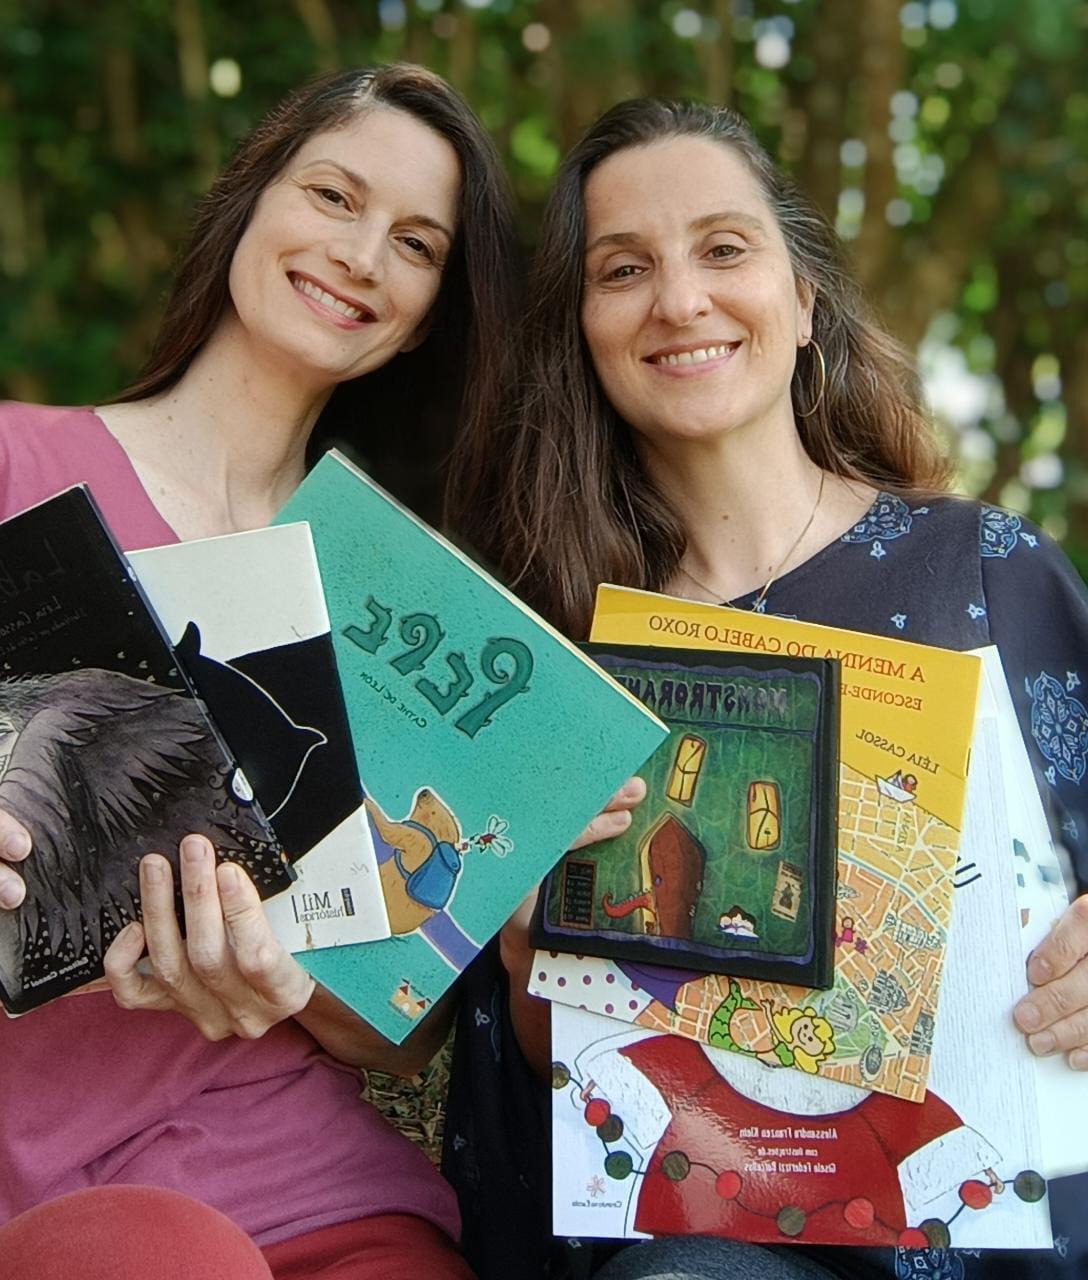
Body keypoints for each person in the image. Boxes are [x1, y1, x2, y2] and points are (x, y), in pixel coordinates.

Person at [0, 63, 641, 1280]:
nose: (360, 255)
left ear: (432, 308)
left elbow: (387, 1035)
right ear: (250, 196)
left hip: (319, 1189)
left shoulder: (408, 602)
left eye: (414, 243)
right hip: (67, 1196)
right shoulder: (16, 462)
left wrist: (277, 971)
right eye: (334, 195)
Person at [443, 98, 1088, 1280]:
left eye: (723, 248)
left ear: (801, 302)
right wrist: (533, 959)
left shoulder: (990, 572)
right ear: (580, 331)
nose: (678, 300)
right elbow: (541, 1092)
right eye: (622, 268)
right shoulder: (557, 659)